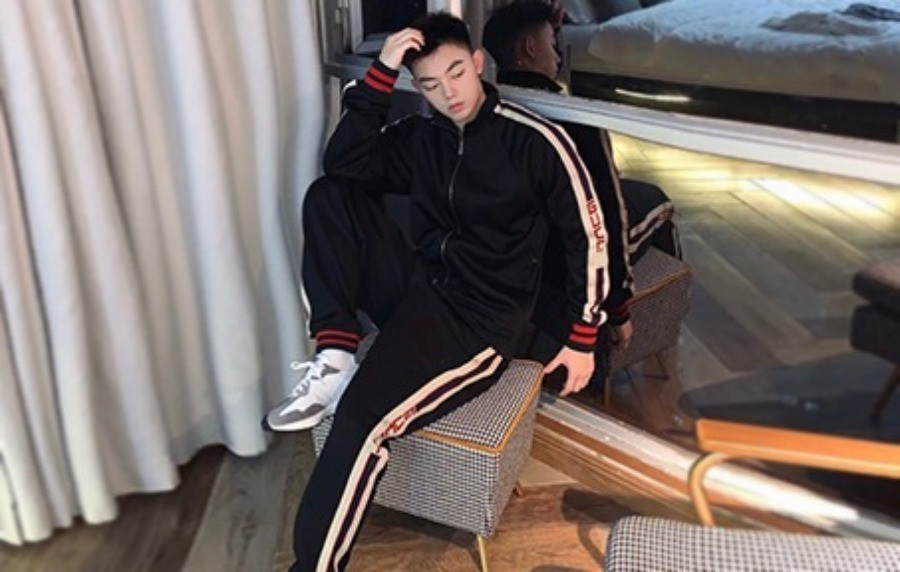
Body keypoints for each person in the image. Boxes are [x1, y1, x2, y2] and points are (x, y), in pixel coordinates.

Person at [266, 13, 611, 571]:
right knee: (329, 194)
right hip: (420, 288)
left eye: (456, 73)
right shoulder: (421, 138)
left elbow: (588, 237)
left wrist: (583, 335)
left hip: (480, 323)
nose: (448, 93)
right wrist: (380, 73)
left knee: (361, 421)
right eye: (429, 83)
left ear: (477, 63)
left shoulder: (534, 140)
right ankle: (335, 353)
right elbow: (345, 163)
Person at [483, 0, 681, 377]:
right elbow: (606, 220)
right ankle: (660, 336)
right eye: (550, 40)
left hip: (524, 256)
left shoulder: (491, 107)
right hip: (570, 258)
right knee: (658, 203)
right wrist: (618, 309)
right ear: (530, 48)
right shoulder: (574, 117)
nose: (558, 50)